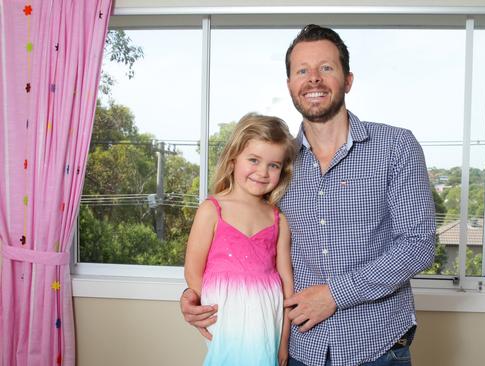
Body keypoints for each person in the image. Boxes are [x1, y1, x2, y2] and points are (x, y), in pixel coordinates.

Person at [181, 25, 436, 366]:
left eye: (326, 68)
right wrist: (195, 293)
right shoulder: (277, 164)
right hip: (300, 349)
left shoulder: (396, 147)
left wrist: (335, 294)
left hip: (377, 345)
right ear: (290, 85)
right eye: (302, 70)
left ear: (347, 80)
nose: (313, 79)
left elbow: (418, 245)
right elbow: (246, 244)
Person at [183, 113, 297, 366]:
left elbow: (287, 283)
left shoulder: (278, 219)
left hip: (268, 325)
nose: (263, 172)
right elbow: (193, 271)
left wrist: (283, 340)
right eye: (254, 160)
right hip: (226, 325)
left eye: (274, 165)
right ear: (234, 159)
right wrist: (212, 312)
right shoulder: (212, 210)